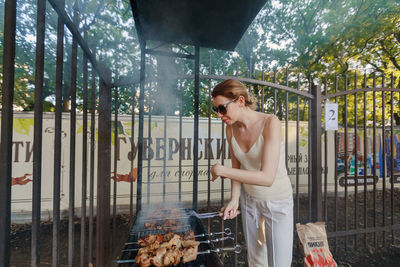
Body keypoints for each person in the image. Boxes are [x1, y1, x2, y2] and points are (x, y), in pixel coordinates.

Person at [210, 79, 293, 267]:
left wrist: (223, 171)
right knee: (256, 262)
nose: (220, 115)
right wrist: (234, 198)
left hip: (277, 201)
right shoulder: (230, 128)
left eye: (222, 108)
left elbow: (267, 177)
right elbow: (237, 165)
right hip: (250, 201)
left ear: (240, 101)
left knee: (279, 264)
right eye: (216, 110)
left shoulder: (270, 123)